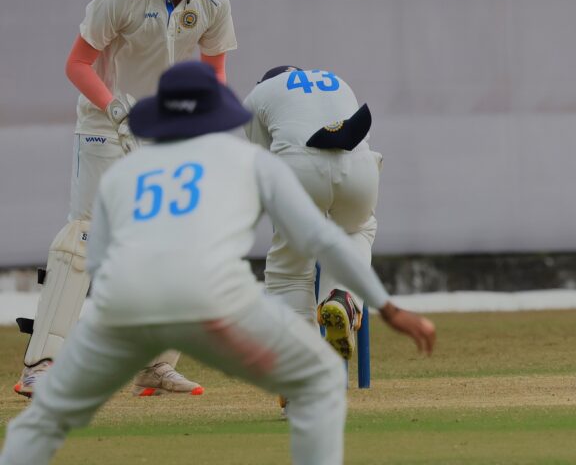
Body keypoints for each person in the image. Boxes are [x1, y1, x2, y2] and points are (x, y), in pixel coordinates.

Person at [0, 62, 436, 465]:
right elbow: (322, 237)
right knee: (320, 379)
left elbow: (99, 263)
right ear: (217, 117)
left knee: (44, 421)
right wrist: (389, 307)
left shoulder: (124, 176)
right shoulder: (248, 162)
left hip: (124, 312)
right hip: (209, 307)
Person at [14, 0, 236, 398]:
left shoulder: (215, 1)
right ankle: (42, 364)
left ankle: (155, 365)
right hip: (105, 126)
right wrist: (116, 110)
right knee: (85, 240)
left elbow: (215, 70)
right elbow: (78, 64)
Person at [244, 66, 381, 362]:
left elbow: (262, 160)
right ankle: (343, 297)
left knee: (290, 271)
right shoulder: (336, 79)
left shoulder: (259, 95)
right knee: (356, 231)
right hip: (359, 165)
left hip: (299, 169)